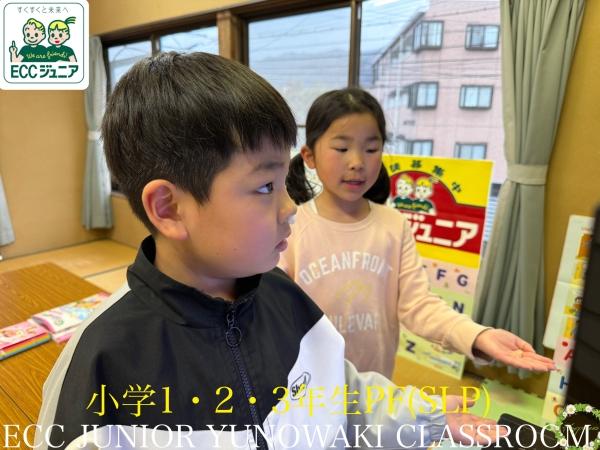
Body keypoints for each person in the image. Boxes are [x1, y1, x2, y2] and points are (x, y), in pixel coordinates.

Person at [35, 53, 503, 450]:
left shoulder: (285, 297)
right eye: (264, 187)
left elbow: (342, 394)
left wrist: (427, 417)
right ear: (170, 208)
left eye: (283, 183)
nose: (289, 207)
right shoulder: (101, 364)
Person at [282, 87, 555, 379]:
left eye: (371, 149)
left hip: (378, 385)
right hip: (309, 385)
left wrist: (477, 335)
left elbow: (418, 305)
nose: (357, 162)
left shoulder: (394, 225)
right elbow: (274, 315)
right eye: (342, 148)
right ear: (309, 156)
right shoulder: (290, 228)